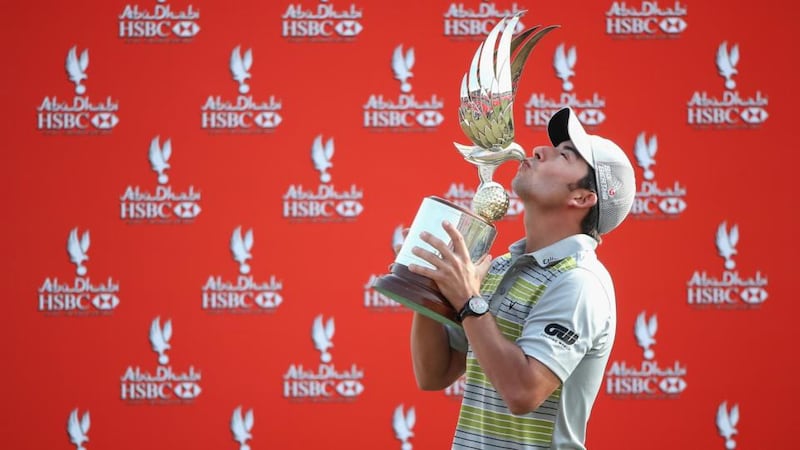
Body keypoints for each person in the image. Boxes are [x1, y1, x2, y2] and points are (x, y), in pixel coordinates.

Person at [407, 106, 636, 450]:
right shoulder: (500, 267)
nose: (539, 150)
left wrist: (470, 301)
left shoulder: (579, 282)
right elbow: (434, 374)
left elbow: (523, 392)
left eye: (564, 155)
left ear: (582, 197)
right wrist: (434, 285)